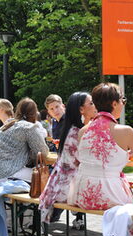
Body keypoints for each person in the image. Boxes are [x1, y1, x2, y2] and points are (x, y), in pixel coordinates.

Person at [67, 83, 133, 236]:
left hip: (82, 194)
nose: (123, 104)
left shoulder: (83, 131)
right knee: (131, 205)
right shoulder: (124, 131)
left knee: (123, 200)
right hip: (107, 192)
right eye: (122, 100)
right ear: (114, 103)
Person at [39, 92, 97, 226]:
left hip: (60, 184)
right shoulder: (76, 131)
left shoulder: (71, 126)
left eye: (57, 107)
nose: (96, 106)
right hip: (67, 187)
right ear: (81, 109)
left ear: (63, 106)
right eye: (92, 103)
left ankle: (70, 216)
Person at [0, 98, 49, 189]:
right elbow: (43, 152)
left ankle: (22, 203)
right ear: (35, 113)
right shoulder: (28, 127)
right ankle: (29, 203)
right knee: (46, 177)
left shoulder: (6, 126)